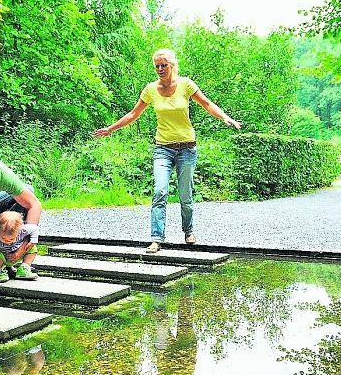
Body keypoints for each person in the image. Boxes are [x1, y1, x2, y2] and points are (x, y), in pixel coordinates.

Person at [93, 48, 241, 253]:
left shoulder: (186, 85)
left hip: (187, 148)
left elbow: (207, 104)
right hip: (162, 148)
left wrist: (226, 117)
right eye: (157, 66)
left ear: (172, 65)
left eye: (164, 65)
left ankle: (188, 231)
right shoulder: (150, 89)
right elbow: (134, 114)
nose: (161, 69)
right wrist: (111, 129)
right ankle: (156, 238)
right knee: (159, 190)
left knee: (185, 194)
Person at [0, 210, 39, 282]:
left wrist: (33, 241)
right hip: (2, 258)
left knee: (33, 249)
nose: (6, 241)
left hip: (17, 255)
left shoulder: (23, 229)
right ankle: (0, 271)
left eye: (11, 239)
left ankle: (24, 268)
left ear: (19, 231)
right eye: (3, 238)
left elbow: (35, 228)